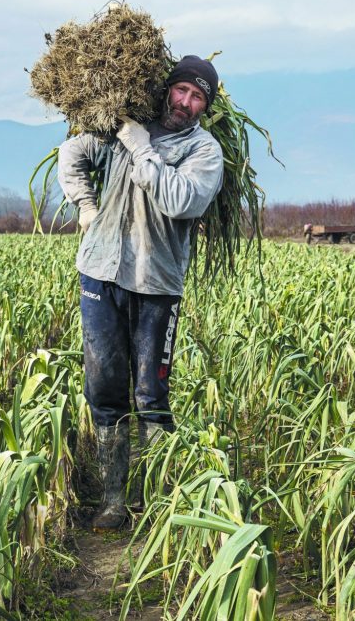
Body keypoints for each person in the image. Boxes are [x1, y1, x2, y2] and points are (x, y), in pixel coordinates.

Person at [57, 55, 224, 530]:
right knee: (104, 386)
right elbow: (72, 153)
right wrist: (85, 206)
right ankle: (113, 501)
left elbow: (180, 200)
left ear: (205, 107)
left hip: (156, 284)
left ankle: (158, 504)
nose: (186, 103)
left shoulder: (204, 152)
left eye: (197, 98)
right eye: (181, 91)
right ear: (166, 90)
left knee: (151, 392)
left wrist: (143, 150)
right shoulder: (124, 127)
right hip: (100, 273)